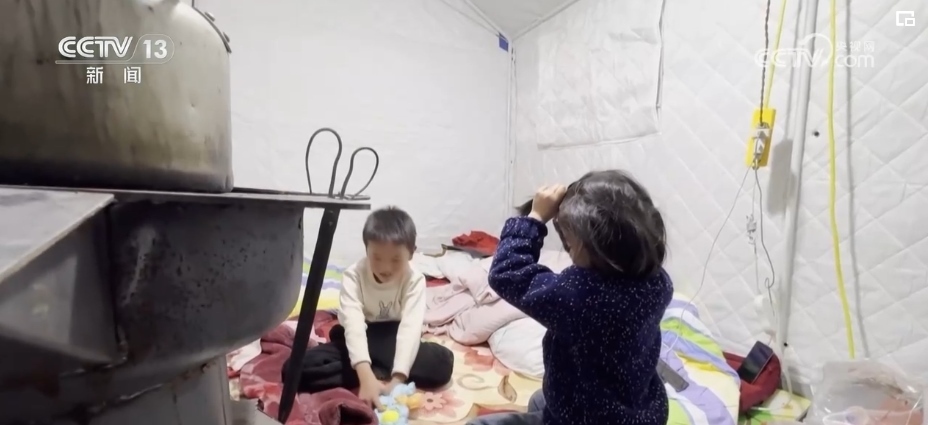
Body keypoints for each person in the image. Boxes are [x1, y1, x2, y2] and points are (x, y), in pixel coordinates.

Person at [467, 170, 673, 425]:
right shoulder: (658, 282)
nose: (568, 251)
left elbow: (507, 274)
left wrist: (535, 217)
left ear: (597, 247)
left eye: (570, 244)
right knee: (540, 399)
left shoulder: (580, 296)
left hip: (586, 420)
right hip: (639, 410)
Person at [285, 206, 453, 408]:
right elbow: (354, 325)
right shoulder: (353, 276)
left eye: (396, 259)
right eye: (377, 258)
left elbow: (410, 328)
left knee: (442, 364)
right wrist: (365, 375)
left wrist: (398, 379)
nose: (385, 268)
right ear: (366, 250)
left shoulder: (415, 279)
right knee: (293, 370)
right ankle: (372, 367)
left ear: (411, 253)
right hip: (361, 332)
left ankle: (376, 365)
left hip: (394, 335)